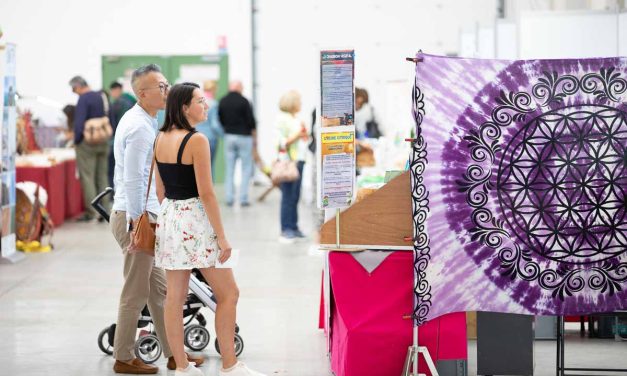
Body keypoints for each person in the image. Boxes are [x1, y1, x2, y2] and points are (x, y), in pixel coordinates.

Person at [151, 82, 265, 376]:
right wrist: (222, 237)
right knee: (228, 293)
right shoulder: (197, 140)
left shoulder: (159, 137)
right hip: (195, 221)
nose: (206, 106)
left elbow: (160, 189)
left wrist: (174, 215)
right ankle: (229, 364)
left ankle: (182, 367)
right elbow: (207, 193)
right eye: (200, 101)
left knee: (174, 297)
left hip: (171, 217)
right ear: (185, 107)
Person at [110, 65, 203, 374]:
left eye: (166, 85)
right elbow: (135, 179)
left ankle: (176, 354)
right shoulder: (139, 127)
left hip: (143, 214)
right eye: (160, 87)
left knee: (159, 293)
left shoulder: (146, 122)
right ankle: (123, 356)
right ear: (142, 93)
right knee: (135, 293)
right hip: (136, 217)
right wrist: (139, 223)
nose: (166, 91)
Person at [69, 76, 111, 221]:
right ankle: (105, 209)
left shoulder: (83, 99)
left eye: (73, 89)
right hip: (103, 140)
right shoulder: (100, 96)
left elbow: (79, 122)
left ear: (78, 86)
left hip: (87, 143)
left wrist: (76, 141)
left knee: (87, 177)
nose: (74, 92)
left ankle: (92, 212)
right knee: (102, 176)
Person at [275, 90, 308, 243]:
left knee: (295, 196)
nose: (301, 104)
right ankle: (286, 228)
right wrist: (298, 135)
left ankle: (294, 226)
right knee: (288, 196)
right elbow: (282, 142)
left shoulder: (295, 118)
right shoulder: (282, 119)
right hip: (288, 162)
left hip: (299, 160)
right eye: (299, 101)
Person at [218, 81, 256, 207]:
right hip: (244, 137)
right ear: (239, 88)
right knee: (246, 168)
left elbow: (220, 118)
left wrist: (227, 128)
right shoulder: (244, 101)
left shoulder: (222, 101)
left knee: (230, 168)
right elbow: (251, 120)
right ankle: (243, 198)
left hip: (229, 137)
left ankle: (229, 198)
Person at [108, 81, 137, 187]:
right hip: (133, 139)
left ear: (117, 90)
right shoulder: (132, 100)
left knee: (117, 169)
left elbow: (116, 124)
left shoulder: (119, 103)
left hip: (120, 139)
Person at [195, 80, 223, 181]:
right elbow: (215, 125)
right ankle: (209, 190)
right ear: (214, 89)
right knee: (209, 166)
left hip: (197, 136)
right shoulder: (214, 104)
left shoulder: (198, 102)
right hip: (210, 138)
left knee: (198, 166)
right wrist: (223, 135)